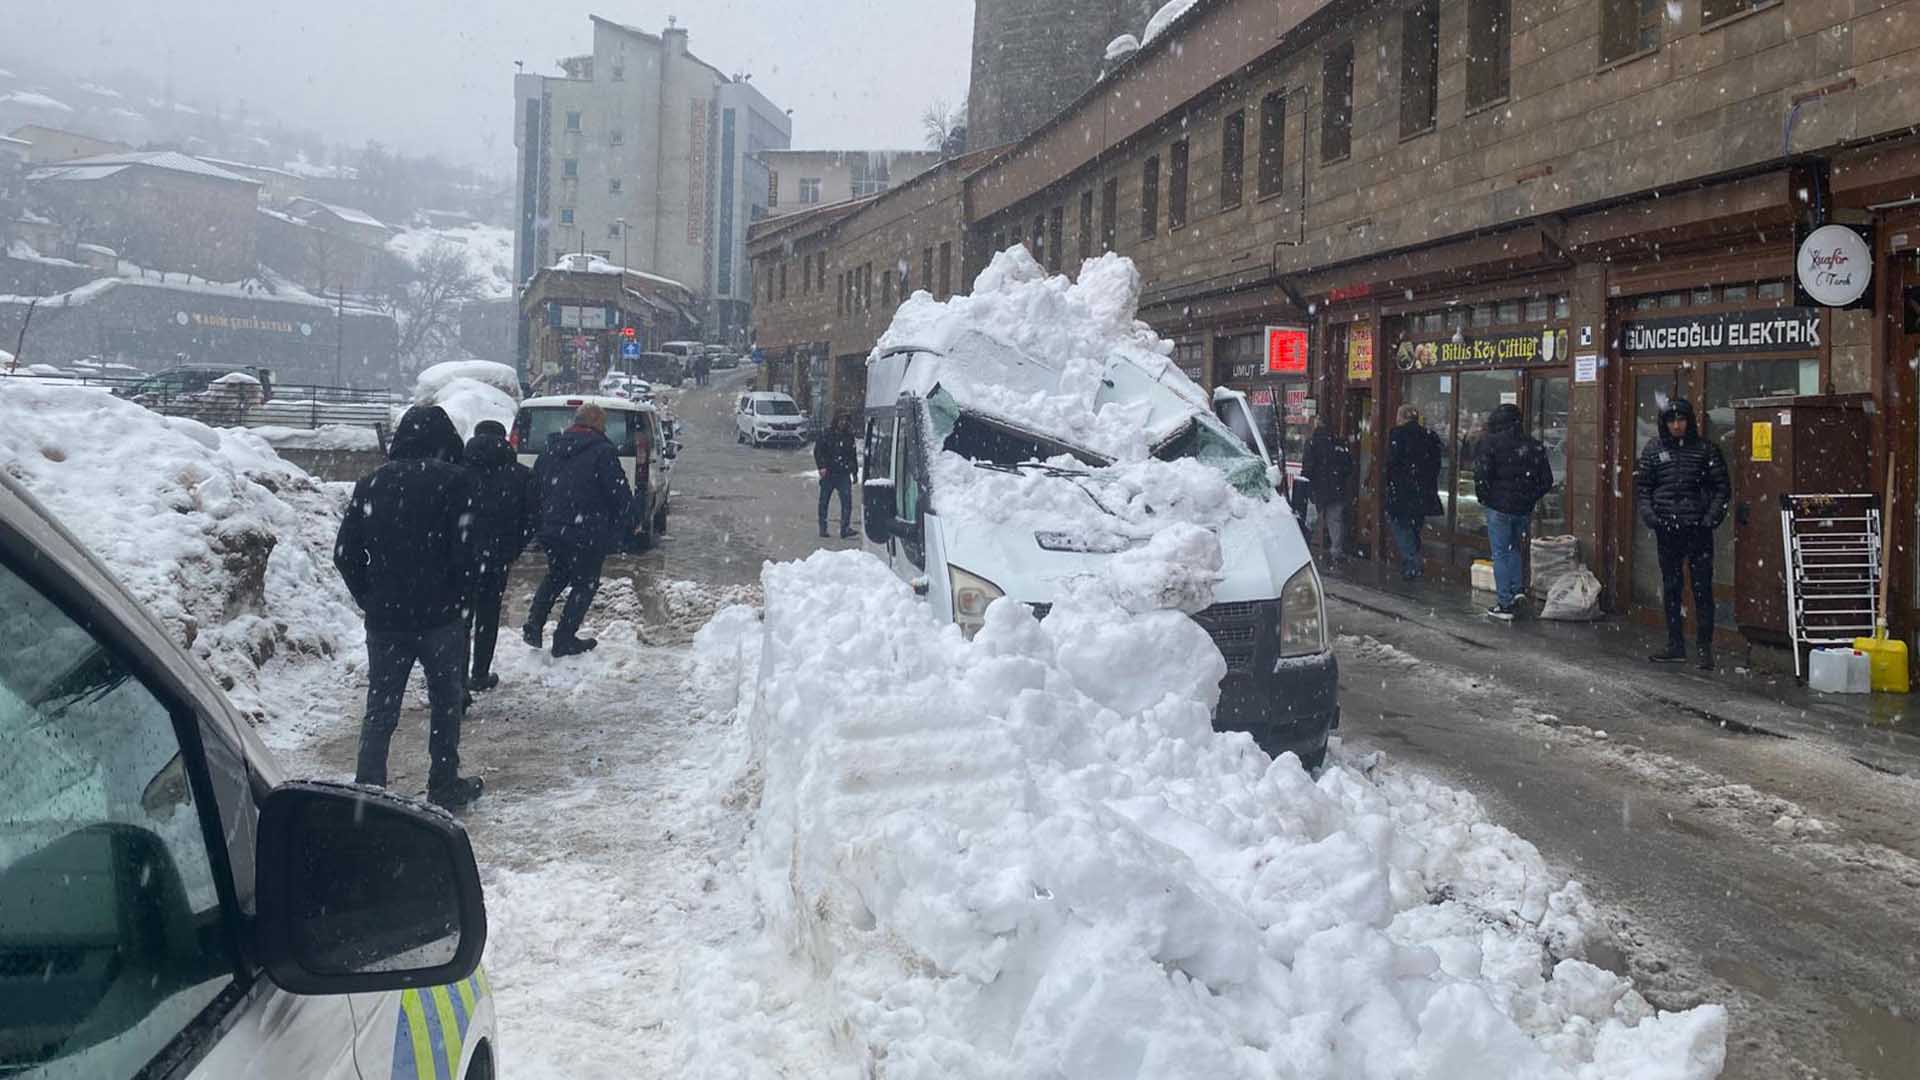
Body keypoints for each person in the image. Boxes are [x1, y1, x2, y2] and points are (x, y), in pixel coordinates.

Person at [332, 405, 484, 809]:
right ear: (443, 440)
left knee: (380, 709)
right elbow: (466, 552)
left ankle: (368, 790)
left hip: (386, 620)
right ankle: (443, 782)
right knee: (446, 704)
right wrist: (458, 596)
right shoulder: (456, 482)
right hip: (440, 619)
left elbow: (346, 553)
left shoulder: (370, 484)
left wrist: (371, 596)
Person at [524, 403, 632, 657]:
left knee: (557, 574)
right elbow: (618, 492)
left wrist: (540, 520)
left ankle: (534, 624)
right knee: (585, 583)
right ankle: (564, 638)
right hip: (587, 530)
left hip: (552, 527)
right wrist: (629, 520)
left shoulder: (551, 448)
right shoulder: (602, 451)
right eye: (603, 424)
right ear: (595, 424)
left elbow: (535, 487)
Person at [1636, 398, 1731, 670]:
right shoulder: (1654, 450)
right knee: (1671, 588)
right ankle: (1675, 643)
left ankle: (1704, 647)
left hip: (1697, 530)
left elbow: (1722, 488)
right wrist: (1653, 517)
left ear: (1690, 421)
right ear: (1664, 424)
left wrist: (1709, 519)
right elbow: (1644, 488)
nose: (1677, 426)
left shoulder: (1705, 450)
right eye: (1672, 421)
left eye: (1681, 420)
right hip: (1667, 530)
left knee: (1702, 588)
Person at [462, 419, 537, 692]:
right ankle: (480, 673)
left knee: (460, 617)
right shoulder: (520, 475)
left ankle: (456, 678)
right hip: (497, 558)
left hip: (461, 557)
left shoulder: (457, 472)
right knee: (488, 615)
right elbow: (532, 519)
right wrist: (513, 548)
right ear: (504, 439)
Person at [1472, 402, 1555, 621]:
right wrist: (1529, 498)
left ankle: (1504, 604)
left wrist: (1486, 497)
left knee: (1500, 553)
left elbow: (1481, 475)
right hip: (1522, 509)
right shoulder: (1533, 445)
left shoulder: (1490, 443)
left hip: (1498, 507)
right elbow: (1547, 480)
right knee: (1514, 549)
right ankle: (1518, 591)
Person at [1383, 404, 1444, 580]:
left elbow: (1392, 463)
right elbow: (1436, 464)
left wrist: (1391, 482)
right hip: (1423, 492)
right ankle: (1413, 563)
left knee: (1401, 527)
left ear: (1401, 417)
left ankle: (1413, 564)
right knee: (1414, 528)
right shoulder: (1429, 436)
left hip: (1403, 492)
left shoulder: (1398, 434)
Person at [1299, 419, 1355, 566]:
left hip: (1317, 489)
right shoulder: (1340, 444)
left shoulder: (1312, 443)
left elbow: (1308, 468)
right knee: (1335, 521)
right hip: (1337, 489)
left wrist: (1307, 483)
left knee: (1310, 520)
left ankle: (1303, 550)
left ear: (1317, 426)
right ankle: (1336, 551)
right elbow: (1348, 467)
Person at [815, 413, 859, 539]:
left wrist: (854, 472)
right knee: (824, 502)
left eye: (845, 420)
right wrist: (821, 467)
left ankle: (845, 528)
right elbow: (818, 451)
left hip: (843, 473)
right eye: (841, 420)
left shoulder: (849, 437)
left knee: (847, 502)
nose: (843, 422)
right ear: (836, 420)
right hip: (829, 473)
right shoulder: (826, 435)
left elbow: (853, 455)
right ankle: (823, 528)